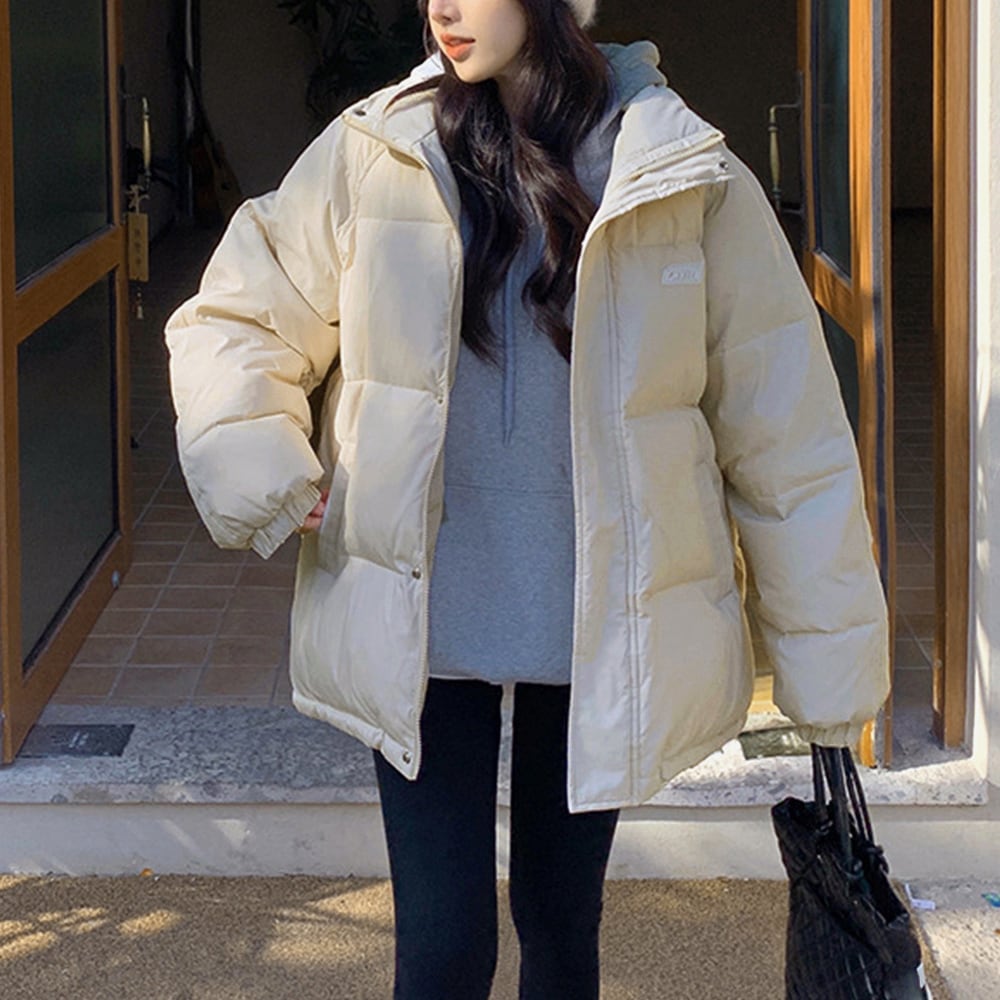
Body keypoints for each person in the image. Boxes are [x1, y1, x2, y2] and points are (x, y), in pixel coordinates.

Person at [164, 1, 890, 996]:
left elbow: (787, 435)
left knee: (560, 929)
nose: (444, 7)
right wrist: (261, 459)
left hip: (596, 623)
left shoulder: (680, 168)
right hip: (420, 614)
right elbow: (237, 316)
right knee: (442, 948)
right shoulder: (376, 152)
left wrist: (830, 674)